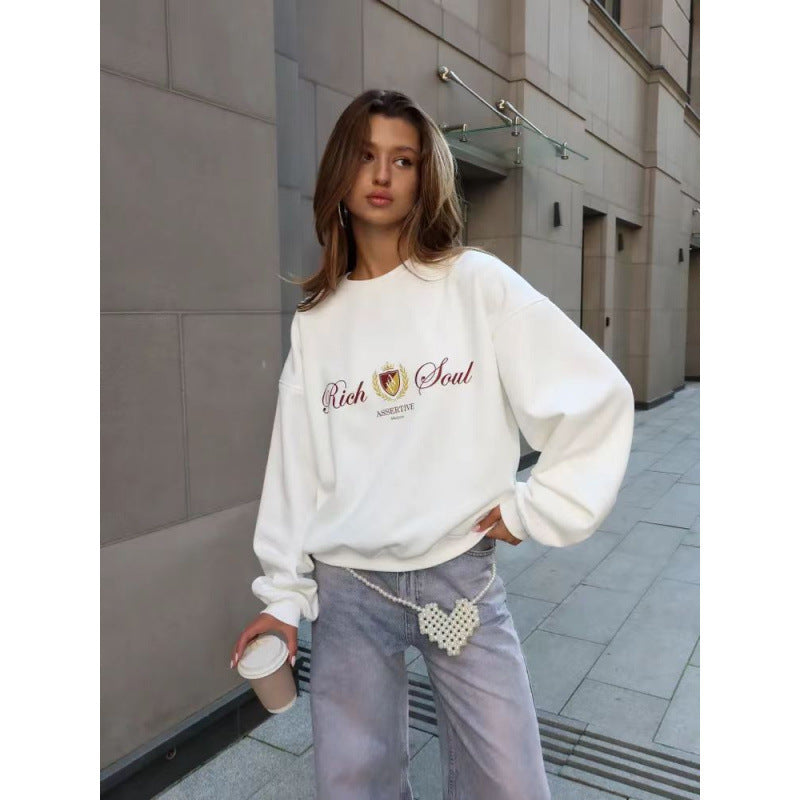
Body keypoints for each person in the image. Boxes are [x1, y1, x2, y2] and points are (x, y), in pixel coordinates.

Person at [230, 89, 634, 800]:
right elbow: (295, 466)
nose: (383, 174)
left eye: (404, 159)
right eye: (366, 156)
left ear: (425, 176)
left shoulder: (475, 284)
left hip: (459, 579)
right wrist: (281, 597)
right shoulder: (318, 322)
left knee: (512, 783)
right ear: (340, 174)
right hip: (349, 588)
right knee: (354, 786)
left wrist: (536, 507)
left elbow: (595, 394)